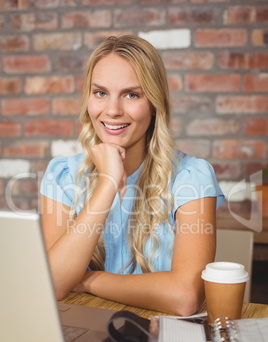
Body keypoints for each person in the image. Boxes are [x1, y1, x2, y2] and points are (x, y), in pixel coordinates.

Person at [40, 34, 224, 316]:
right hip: (82, 334)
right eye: (100, 93)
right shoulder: (61, 175)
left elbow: (184, 297)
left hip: (161, 339)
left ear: (153, 103)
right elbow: (51, 285)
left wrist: (87, 280)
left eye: (131, 94)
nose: (112, 111)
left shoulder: (191, 178)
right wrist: (109, 183)